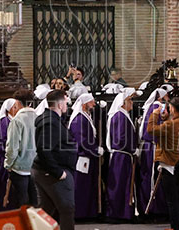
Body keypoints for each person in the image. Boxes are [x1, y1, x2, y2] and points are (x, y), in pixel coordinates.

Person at [32, 89, 90, 230]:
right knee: (67, 209)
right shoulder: (50, 122)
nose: (67, 104)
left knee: (46, 211)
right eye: (65, 101)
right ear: (59, 104)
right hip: (52, 173)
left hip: (48, 171)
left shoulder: (53, 119)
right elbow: (44, 149)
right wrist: (57, 172)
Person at [146, 97, 179, 230]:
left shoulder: (172, 124)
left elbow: (151, 130)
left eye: (170, 107)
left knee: (172, 201)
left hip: (168, 163)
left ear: (174, 108)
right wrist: (166, 118)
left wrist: (154, 114)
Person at [105, 87, 138, 221]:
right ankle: (117, 213)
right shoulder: (120, 116)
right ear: (123, 103)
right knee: (118, 185)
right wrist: (132, 149)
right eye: (130, 100)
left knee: (123, 184)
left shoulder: (123, 115)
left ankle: (123, 212)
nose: (132, 103)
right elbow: (120, 139)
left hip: (124, 155)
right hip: (122, 156)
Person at [137, 87, 171, 217]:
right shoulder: (158, 107)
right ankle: (154, 208)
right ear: (161, 97)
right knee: (153, 177)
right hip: (153, 146)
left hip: (148, 146)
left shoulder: (150, 107)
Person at [68, 92, 102, 219]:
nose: (94, 104)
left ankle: (87, 213)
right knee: (81, 186)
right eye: (91, 102)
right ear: (84, 104)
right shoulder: (79, 119)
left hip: (87, 156)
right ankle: (80, 214)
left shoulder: (85, 117)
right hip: (82, 157)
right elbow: (82, 140)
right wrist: (95, 150)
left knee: (87, 186)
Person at [5, 89, 39, 207]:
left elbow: (12, 147)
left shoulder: (17, 120)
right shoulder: (38, 117)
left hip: (20, 168)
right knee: (35, 202)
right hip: (36, 166)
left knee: (21, 203)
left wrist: (8, 164)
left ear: (18, 103)